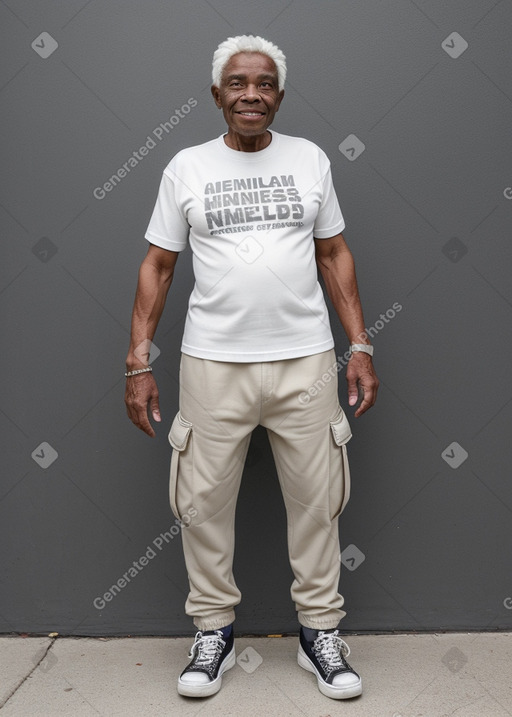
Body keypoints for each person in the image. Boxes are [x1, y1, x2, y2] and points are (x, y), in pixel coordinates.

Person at [125, 34, 379, 701]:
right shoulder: (187, 167)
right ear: (217, 94)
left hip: (307, 363)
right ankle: (212, 630)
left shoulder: (311, 160)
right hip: (213, 364)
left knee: (319, 503)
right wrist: (137, 360)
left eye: (264, 83)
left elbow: (333, 253)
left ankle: (320, 632)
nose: (251, 94)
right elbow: (158, 265)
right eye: (238, 83)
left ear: (279, 95)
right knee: (202, 503)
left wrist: (361, 343)